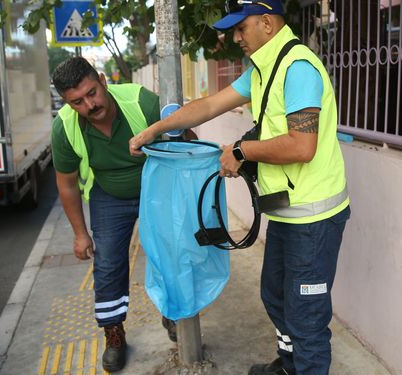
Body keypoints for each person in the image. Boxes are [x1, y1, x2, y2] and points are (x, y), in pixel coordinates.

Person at [128, 1, 351, 374]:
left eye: (240, 28)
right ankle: (289, 364)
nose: (235, 38)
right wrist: (155, 130)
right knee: (276, 298)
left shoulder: (298, 69)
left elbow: (302, 146)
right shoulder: (265, 69)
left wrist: (240, 151)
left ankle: (304, 364)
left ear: (266, 23)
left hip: (314, 219)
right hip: (287, 211)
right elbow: (211, 104)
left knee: (307, 318)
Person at [51, 57, 179, 372]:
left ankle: (172, 311)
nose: (89, 105)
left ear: (103, 81)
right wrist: (80, 235)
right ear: (67, 103)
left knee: (169, 253)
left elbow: (181, 147)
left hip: (155, 188)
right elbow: (66, 184)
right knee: (108, 264)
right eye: (77, 102)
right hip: (108, 195)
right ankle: (114, 333)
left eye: (92, 93)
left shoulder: (141, 102)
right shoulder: (65, 127)